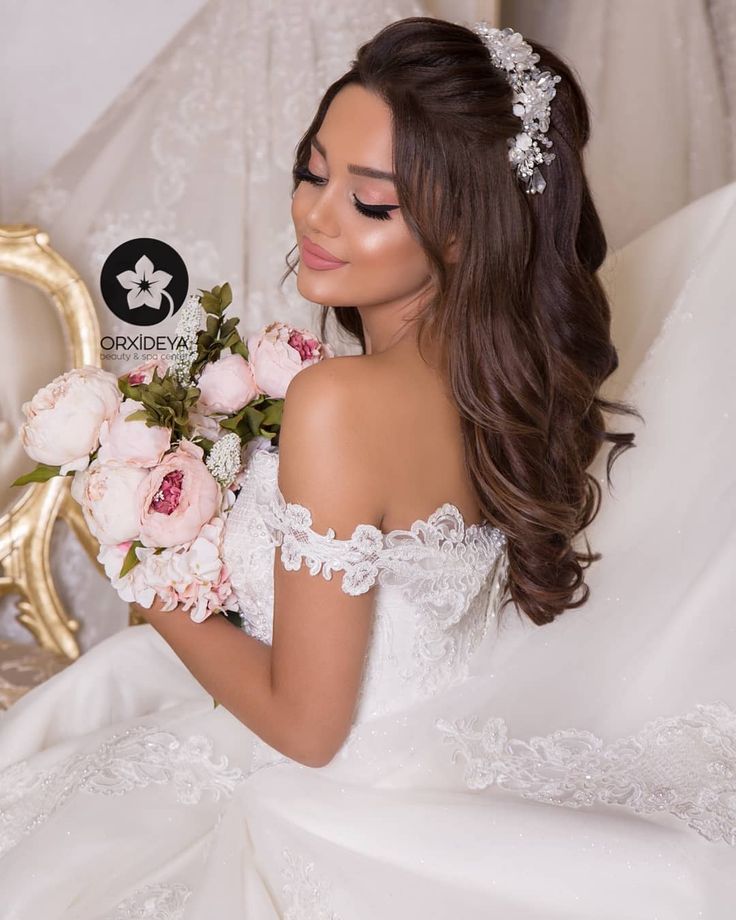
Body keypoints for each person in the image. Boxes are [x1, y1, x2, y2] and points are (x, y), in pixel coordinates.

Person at [1, 16, 735, 919]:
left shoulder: (340, 402)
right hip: (435, 753)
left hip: (332, 795)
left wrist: (147, 580)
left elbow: (308, 731)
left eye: (371, 203)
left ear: (466, 233)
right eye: (313, 172)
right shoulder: (493, 386)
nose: (316, 214)